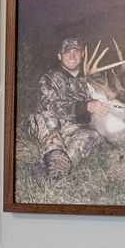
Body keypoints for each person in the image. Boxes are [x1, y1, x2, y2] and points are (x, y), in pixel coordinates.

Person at [29, 37, 108, 179]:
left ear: (83, 54)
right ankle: (54, 154)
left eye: (76, 52)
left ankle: (56, 168)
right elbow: (52, 106)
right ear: (59, 56)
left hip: (76, 128)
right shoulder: (48, 78)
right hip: (51, 126)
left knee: (94, 136)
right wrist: (87, 106)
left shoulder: (94, 78)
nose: (72, 56)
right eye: (67, 52)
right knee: (45, 115)